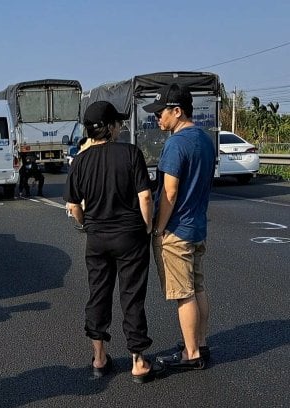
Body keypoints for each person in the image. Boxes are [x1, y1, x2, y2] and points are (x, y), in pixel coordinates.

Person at [66, 101, 159, 383]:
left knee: (98, 294)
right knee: (132, 296)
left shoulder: (80, 161)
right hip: (130, 236)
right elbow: (145, 197)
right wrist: (147, 226)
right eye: (117, 122)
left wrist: (85, 224)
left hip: (97, 238)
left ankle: (99, 357)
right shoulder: (130, 153)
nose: (120, 126)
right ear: (109, 127)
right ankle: (138, 362)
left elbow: (73, 205)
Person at [143, 83, 216, 370]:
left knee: (183, 295)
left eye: (160, 112)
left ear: (177, 111)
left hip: (177, 230)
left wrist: (159, 228)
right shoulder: (204, 139)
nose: (157, 118)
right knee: (198, 287)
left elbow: (169, 193)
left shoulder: (176, 144)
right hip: (197, 226)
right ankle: (200, 342)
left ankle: (190, 354)